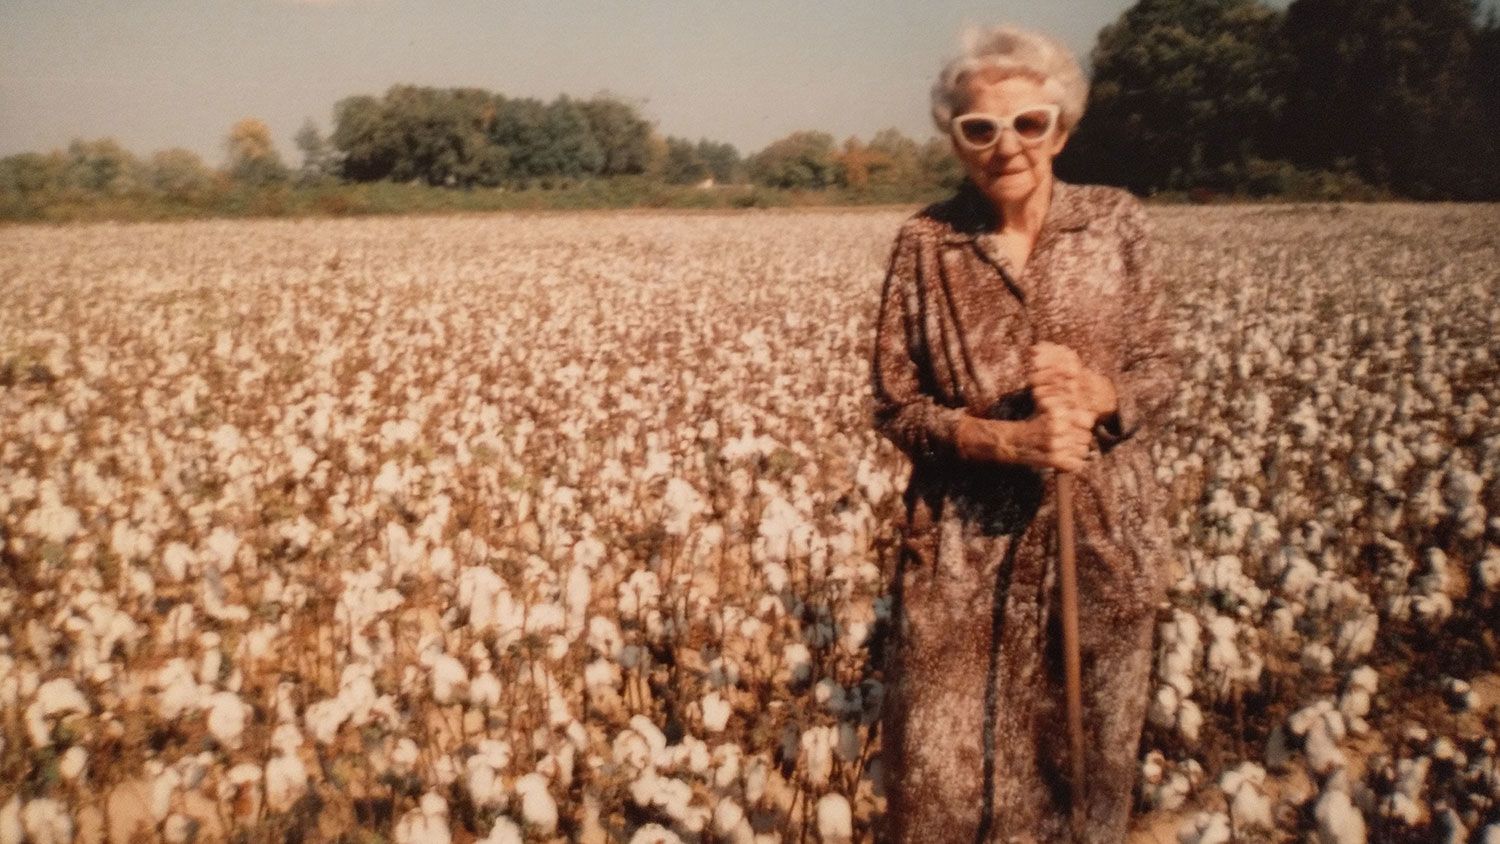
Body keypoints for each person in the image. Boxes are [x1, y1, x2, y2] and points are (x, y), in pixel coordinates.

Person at [869, 22, 1183, 843]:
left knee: (1084, 782)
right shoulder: (926, 245)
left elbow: (1163, 366)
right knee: (946, 783)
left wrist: (1101, 393)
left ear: (1062, 127)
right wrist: (1004, 442)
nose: (1006, 144)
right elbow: (895, 406)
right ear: (955, 138)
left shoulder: (1114, 224)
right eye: (979, 127)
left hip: (1103, 546)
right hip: (963, 561)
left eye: (1028, 123)